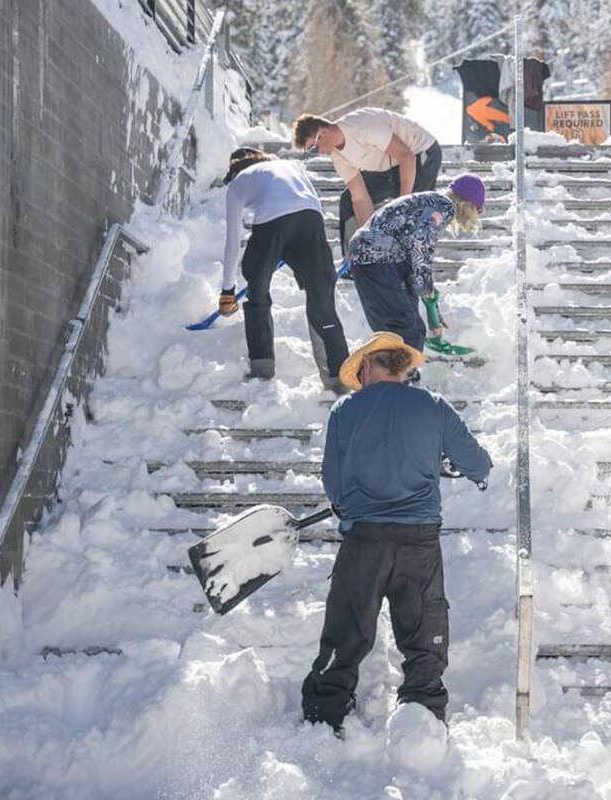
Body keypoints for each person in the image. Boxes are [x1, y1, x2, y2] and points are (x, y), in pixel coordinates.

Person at [301, 331, 492, 734]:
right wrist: (463, 469)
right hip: (418, 539)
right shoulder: (434, 407)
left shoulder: (344, 411)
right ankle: (422, 710)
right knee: (424, 629)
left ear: (368, 365)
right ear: (402, 366)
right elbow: (477, 462)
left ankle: (325, 711)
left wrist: (350, 514)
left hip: (364, 539)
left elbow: (332, 480)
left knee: (346, 629)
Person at [219, 146, 349, 388]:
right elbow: (311, 207)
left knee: (257, 292)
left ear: (235, 170)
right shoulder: (291, 167)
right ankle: (338, 376)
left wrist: (227, 290)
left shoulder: (237, 184)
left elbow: (232, 242)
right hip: (310, 221)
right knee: (322, 300)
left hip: (271, 223)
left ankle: (262, 369)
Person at [345, 174, 486, 354]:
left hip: (370, 258)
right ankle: (403, 377)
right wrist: (425, 286)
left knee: (393, 331)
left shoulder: (429, 203)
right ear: (468, 203)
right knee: (406, 330)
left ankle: (393, 376)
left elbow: (413, 250)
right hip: (379, 257)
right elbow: (420, 242)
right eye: (477, 209)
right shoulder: (444, 206)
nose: (476, 216)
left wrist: (431, 306)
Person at [292, 107, 443, 253]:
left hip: (420, 153)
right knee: (348, 201)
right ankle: (355, 261)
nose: (317, 153)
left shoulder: (363, 126)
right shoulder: (337, 156)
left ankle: (414, 264)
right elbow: (360, 198)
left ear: (322, 133)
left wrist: (402, 205)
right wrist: (369, 236)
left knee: (413, 214)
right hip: (390, 166)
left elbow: (406, 157)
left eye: (313, 148)